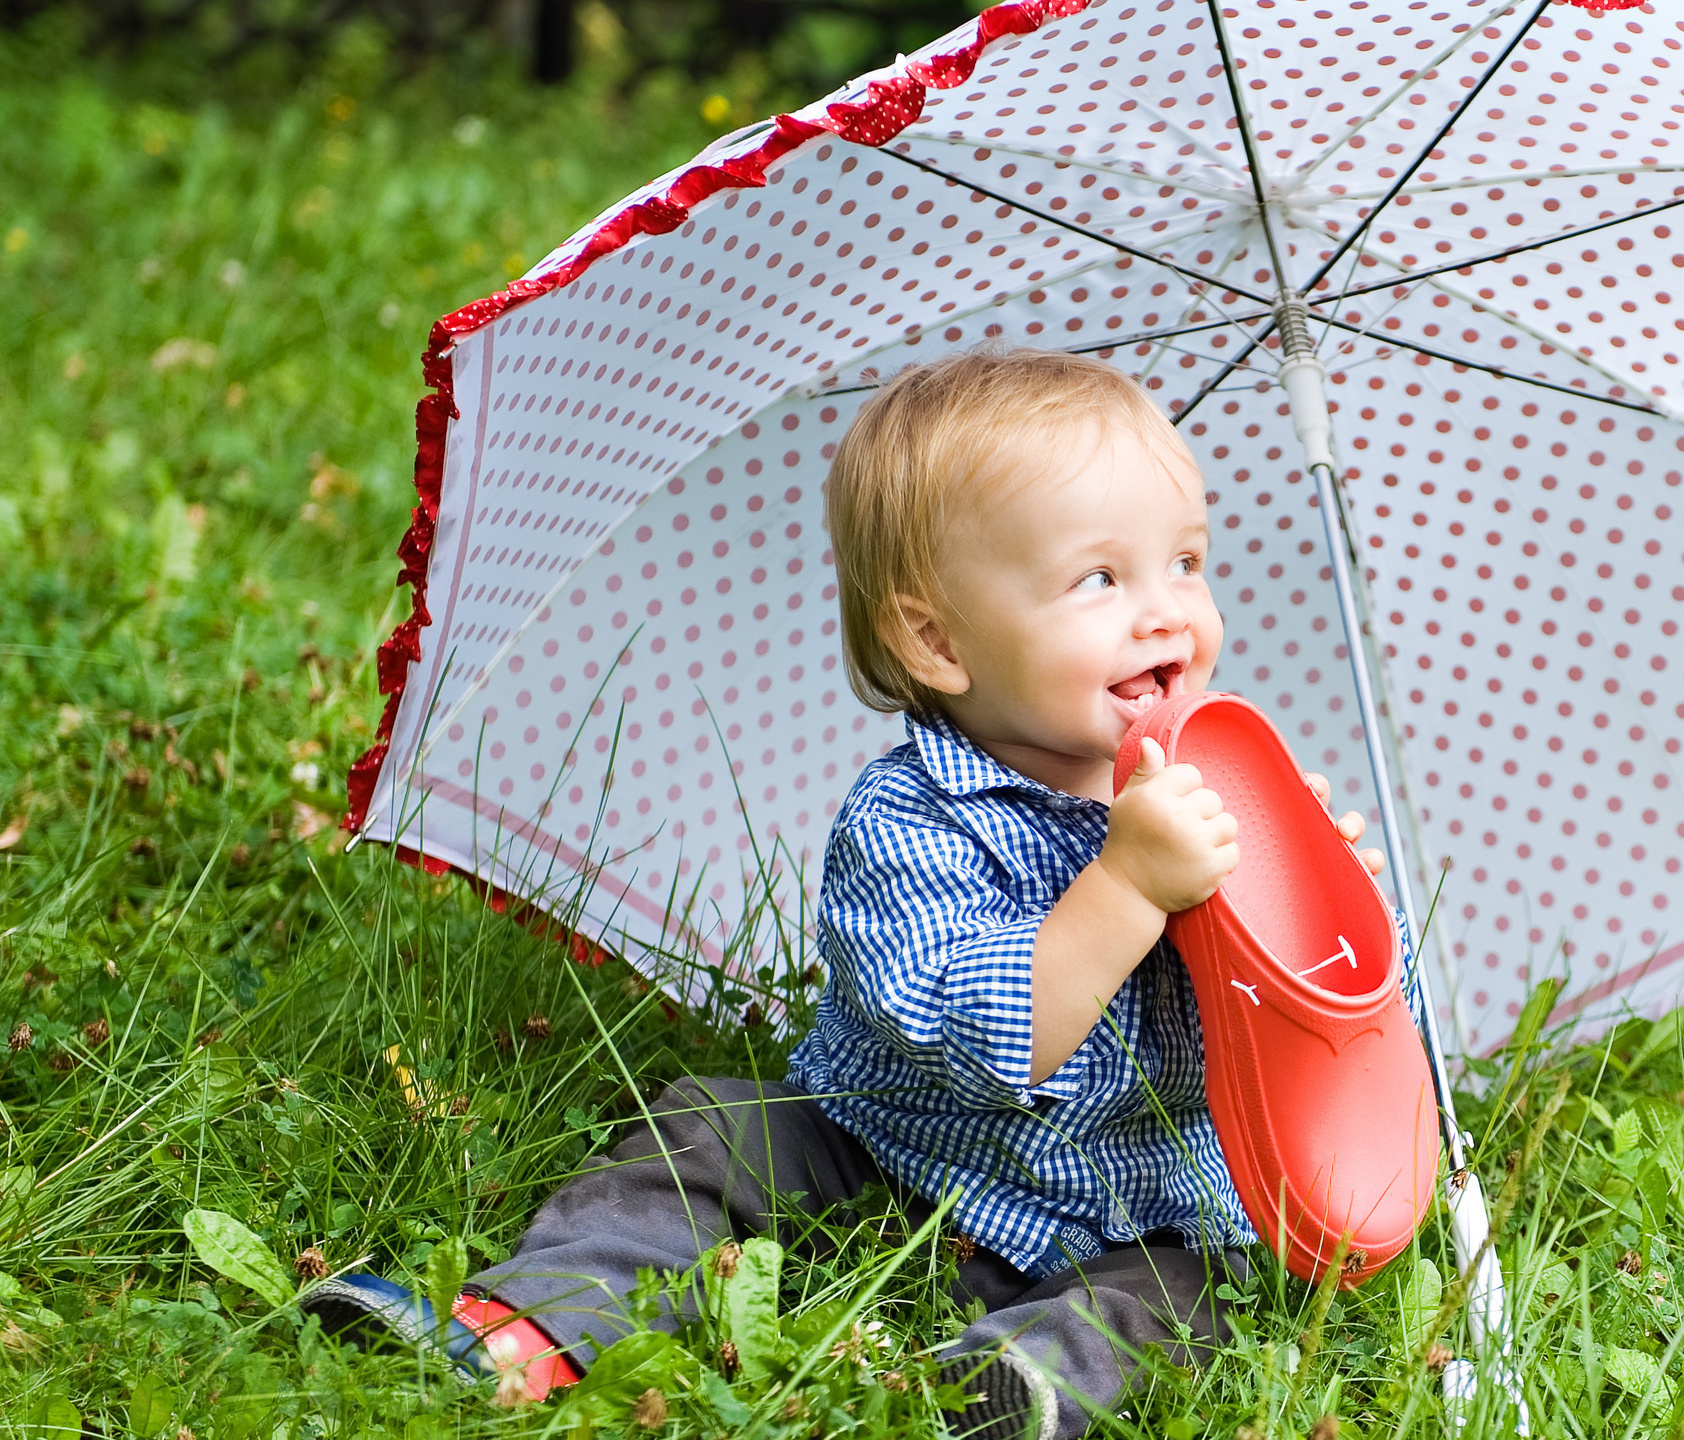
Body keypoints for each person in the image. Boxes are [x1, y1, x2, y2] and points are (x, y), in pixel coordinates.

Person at [303, 347, 1387, 1439]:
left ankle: (1007, 1393)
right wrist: (1128, 885)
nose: (1165, 613)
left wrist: (1307, 912)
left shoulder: (1227, 798)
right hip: (891, 1145)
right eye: (1100, 579)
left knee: (1177, 1300)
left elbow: (1297, 1065)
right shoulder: (908, 816)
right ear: (936, 640)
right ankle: (529, 1327)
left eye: (1186, 563)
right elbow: (978, 1036)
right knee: (711, 1134)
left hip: (1142, 1207)